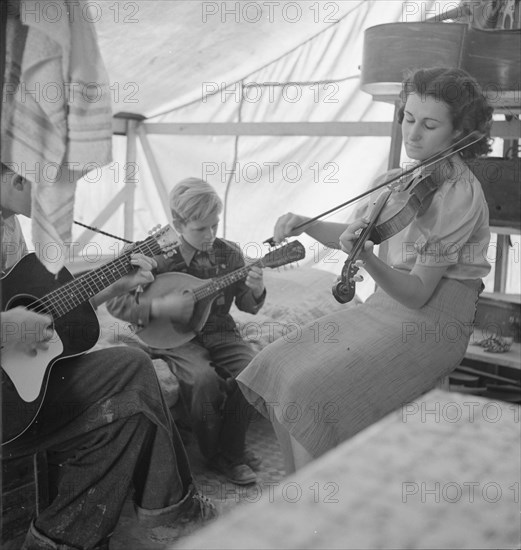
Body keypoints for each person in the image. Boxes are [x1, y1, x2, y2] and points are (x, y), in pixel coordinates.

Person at [236, 67, 494, 474]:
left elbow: (417, 294)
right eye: (408, 118)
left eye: (429, 125)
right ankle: (300, 490)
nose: (413, 134)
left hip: (432, 322)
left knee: (308, 390)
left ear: (459, 132)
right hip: (384, 309)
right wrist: (309, 224)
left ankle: (318, 502)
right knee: (275, 364)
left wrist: (369, 258)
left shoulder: (460, 193)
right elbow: (359, 232)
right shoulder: (400, 180)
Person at [1, 164, 217, 550]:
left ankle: (58, 539)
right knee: (132, 395)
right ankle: (176, 514)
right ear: (18, 180)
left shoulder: (9, 225)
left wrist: (112, 286)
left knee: (133, 373)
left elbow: (43, 310)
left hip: (14, 389)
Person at [106, 178, 266, 485]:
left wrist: (256, 289)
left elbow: (247, 304)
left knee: (255, 372)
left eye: (215, 226)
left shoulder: (229, 254)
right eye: (201, 228)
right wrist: (159, 309)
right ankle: (218, 454)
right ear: (178, 223)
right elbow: (116, 303)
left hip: (219, 329)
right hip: (171, 335)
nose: (210, 236)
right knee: (203, 380)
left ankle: (231, 449)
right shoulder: (152, 254)